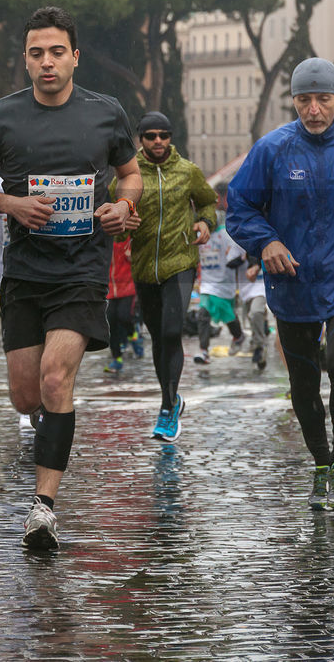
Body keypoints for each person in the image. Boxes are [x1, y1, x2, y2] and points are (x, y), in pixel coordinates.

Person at [0, 5, 140, 550]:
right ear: (26, 61)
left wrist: (120, 208)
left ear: (75, 57)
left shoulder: (105, 113)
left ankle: (43, 507)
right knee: (25, 395)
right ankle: (50, 429)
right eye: (36, 53)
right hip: (25, 272)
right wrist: (12, 203)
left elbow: (129, 176)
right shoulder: (2, 117)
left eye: (57, 52)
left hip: (82, 269)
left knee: (57, 380)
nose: (47, 63)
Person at [228, 57, 334, 512]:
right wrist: (267, 241)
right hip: (292, 282)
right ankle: (319, 463)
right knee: (303, 380)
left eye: (323, 99)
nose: (314, 109)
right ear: (293, 101)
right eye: (304, 100)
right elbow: (240, 208)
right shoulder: (272, 149)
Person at [123, 112, 215, 442]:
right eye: (151, 136)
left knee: (173, 330)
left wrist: (205, 223)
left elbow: (208, 204)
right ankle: (173, 398)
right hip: (145, 267)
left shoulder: (188, 171)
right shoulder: (127, 175)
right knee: (159, 337)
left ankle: (166, 408)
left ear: (171, 137)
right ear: (141, 140)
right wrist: (123, 226)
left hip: (181, 263)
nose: (158, 141)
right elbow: (114, 222)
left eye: (164, 135)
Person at [195, 214, 243, 366]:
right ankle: (203, 351)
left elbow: (240, 251)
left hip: (224, 283)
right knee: (203, 314)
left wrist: (235, 259)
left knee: (226, 313)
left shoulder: (224, 234)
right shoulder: (198, 235)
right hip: (207, 284)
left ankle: (238, 336)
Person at [104, 238, 135, 374]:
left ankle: (132, 335)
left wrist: (133, 255)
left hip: (127, 287)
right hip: (110, 290)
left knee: (124, 316)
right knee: (110, 322)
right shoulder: (103, 240)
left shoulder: (128, 239)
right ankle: (117, 358)